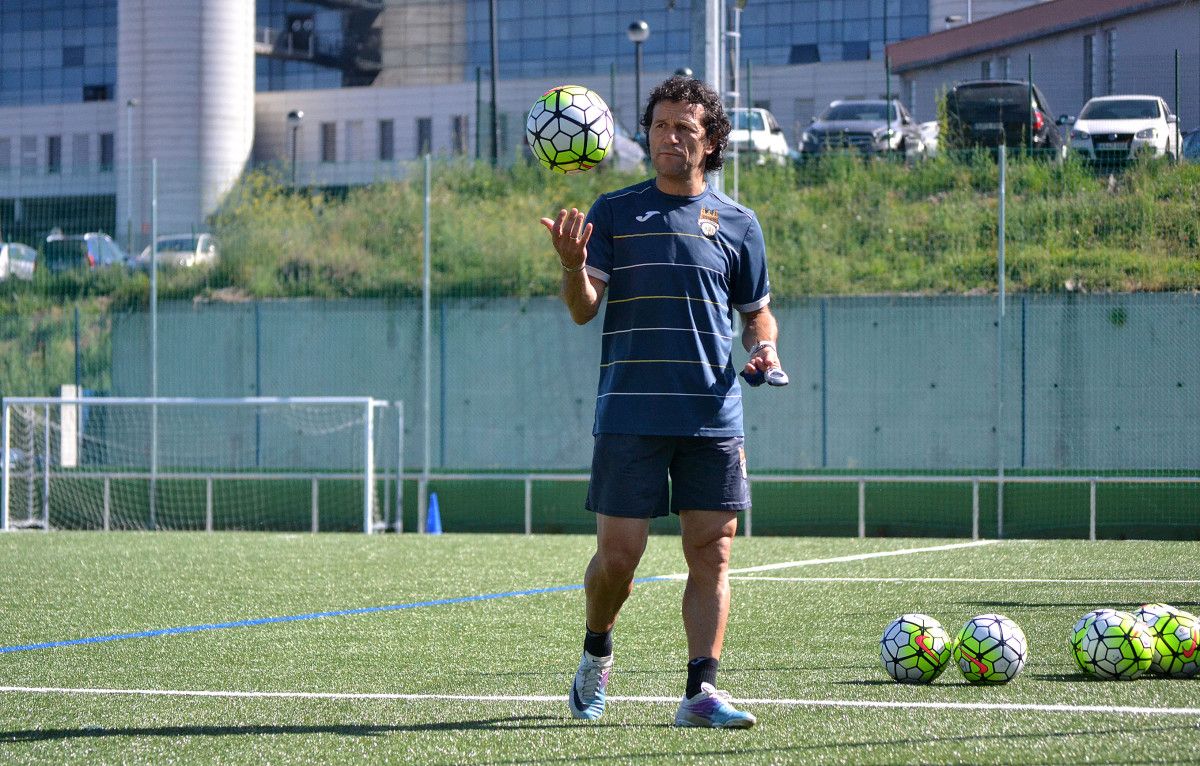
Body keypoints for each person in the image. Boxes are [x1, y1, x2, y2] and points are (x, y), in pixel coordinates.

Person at [539, 76, 783, 729]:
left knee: (714, 553)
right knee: (619, 559)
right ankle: (596, 654)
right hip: (630, 415)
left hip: (711, 414)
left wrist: (765, 350)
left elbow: (759, 315)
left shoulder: (739, 223)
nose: (670, 138)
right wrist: (570, 266)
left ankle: (701, 692)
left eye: (685, 128)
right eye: (660, 126)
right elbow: (584, 310)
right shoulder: (615, 211)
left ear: (712, 142)